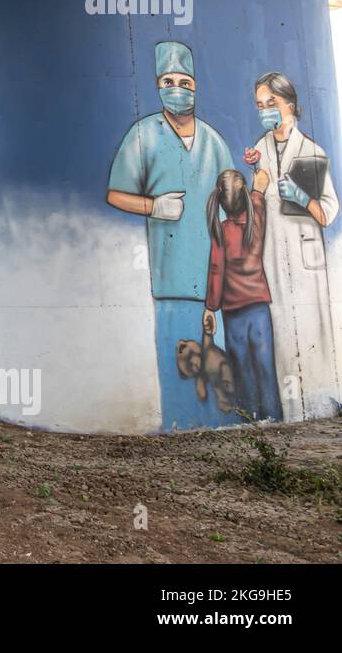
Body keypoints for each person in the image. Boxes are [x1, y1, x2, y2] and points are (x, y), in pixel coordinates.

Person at [106, 40, 238, 430]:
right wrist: (153, 206)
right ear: (157, 85)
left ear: (196, 87)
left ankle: (221, 435)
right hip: (169, 281)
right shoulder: (144, 135)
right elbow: (115, 193)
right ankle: (181, 430)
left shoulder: (214, 142)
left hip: (214, 284)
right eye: (168, 80)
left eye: (184, 81)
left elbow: (233, 203)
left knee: (218, 374)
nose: (176, 88)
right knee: (180, 368)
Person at [246, 71, 340, 421]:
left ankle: (323, 407)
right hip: (274, 256)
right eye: (260, 105)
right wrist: (254, 182)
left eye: (272, 103)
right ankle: (293, 414)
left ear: (290, 105)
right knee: (283, 331)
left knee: (316, 330)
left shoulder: (312, 152)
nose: (266, 110)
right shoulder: (259, 150)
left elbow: (329, 212)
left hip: (306, 257)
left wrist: (303, 198)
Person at [202, 168, 280, 420]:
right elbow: (258, 194)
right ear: (245, 195)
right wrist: (257, 185)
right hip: (259, 308)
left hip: (232, 312)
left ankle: (249, 418)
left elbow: (216, 271)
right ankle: (273, 418)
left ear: (219, 201)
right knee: (265, 366)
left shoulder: (221, 232)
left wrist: (210, 307)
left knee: (241, 369)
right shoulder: (256, 220)